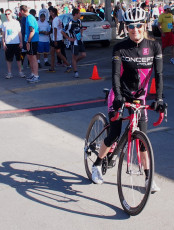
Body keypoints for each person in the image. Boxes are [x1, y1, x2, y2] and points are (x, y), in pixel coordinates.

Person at [91, 7, 164, 193]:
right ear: (127, 27)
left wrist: (160, 99)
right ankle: (97, 165)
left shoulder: (154, 47)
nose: (135, 29)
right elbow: (115, 75)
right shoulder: (120, 48)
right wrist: (118, 99)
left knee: (142, 140)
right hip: (119, 93)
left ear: (144, 24)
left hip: (139, 97)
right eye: (131, 25)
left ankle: (148, 178)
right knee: (114, 134)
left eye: (139, 25)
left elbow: (159, 74)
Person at [62, 8, 86, 78]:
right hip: (74, 42)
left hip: (79, 41)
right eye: (79, 13)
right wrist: (69, 38)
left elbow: (81, 28)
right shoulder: (70, 23)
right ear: (76, 14)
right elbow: (62, 31)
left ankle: (73, 62)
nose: (80, 15)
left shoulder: (79, 21)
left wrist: (81, 34)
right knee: (74, 56)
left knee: (83, 55)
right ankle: (76, 72)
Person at [2, 9, 25, 79]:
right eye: (6, 14)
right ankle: (9, 73)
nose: (7, 15)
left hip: (16, 43)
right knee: (8, 59)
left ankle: (20, 72)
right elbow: (3, 34)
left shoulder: (16, 22)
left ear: (11, 14)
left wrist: (21, 42)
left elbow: (19, 33)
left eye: (8, 14)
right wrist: (3, 43)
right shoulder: (4, 23)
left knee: (18, 59)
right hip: (8, 43)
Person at [20, 5, 40, 83]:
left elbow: (32, 31)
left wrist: (28, 41)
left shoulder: (30, 18)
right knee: (30, 57)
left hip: (32, 41)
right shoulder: (28, 18)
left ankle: (36, 75)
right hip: (29, 40)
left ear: (22, 11)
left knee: (33, 58)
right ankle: (33, 73)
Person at [51, 8, 72, 73]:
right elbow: (61, 28)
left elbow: (55, 30)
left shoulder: (55, 20)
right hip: (58, 38)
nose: (50, 13)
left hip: (56, 39)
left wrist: (55, 39)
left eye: (51, 12)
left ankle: (68, 65)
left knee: (58, 53)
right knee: (52, 53)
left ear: (53, 13)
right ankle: (52, 67)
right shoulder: (58, 19)